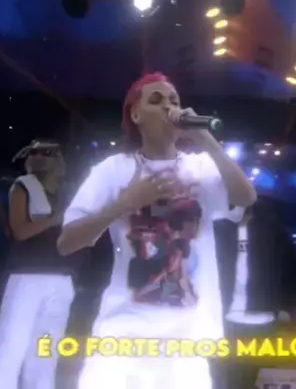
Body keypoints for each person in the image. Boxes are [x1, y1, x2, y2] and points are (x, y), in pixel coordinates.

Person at [58, 72, 257, 389]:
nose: (169, 106)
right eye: (156, 100)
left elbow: (246, 198)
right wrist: (124, 204)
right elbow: (67, 243)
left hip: (188, 338)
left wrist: (206, 139)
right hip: (122, 334)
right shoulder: (113, 169)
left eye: (174, 100)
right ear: (135, 115)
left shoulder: (202, 166)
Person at [0, 139, 74, 389]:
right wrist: (54, 220)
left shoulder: (66, 191)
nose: (58, 160)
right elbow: (20, 231)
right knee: (11, 342)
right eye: (40, 153)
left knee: (46, 348)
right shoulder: (22, 187)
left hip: (62, 277)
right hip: (27, 275)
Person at [213, 199, 296, 389]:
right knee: (230, 371)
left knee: (253, 370)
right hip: (229, 314)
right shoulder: (221, 229)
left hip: (262, 312)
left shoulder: (272, 231)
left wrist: (285, 306)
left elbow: (290, 269)